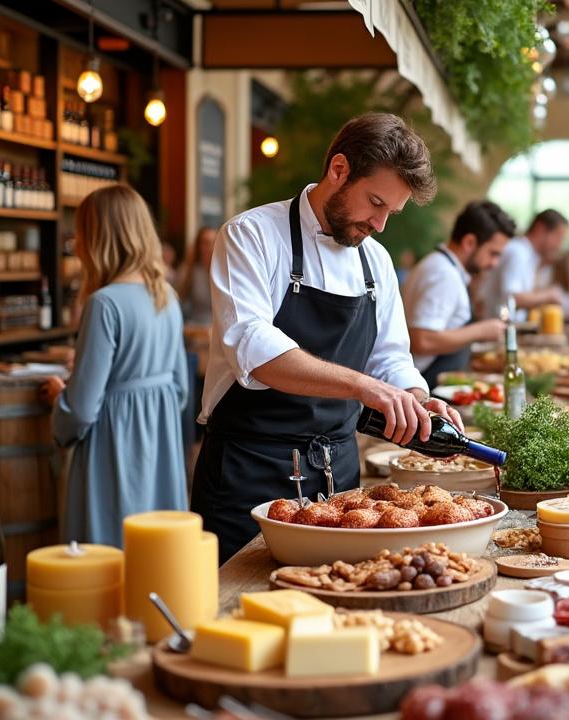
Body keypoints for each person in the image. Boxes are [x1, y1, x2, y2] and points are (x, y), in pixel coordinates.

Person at [191, 112, 459, 561]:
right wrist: (361, 386)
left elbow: (391, 358)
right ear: (339, 170)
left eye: (390, 212)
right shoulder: (250, 235)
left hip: (340, 482)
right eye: (375, 203)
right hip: (248, 471)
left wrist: (413, 397)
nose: (380, 225)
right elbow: (254, 348)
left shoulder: (376, 262)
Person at [39, 185, 190, 546]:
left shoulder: (104, 303)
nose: (75, 242)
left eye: (80, 231)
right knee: (155, 550)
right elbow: (181, 389)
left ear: (97, 238)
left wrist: (60, 399)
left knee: (108, 550)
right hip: (160, 446)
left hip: (113, 448)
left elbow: (80, 410)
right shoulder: (166, 296)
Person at [404, 200, 515, 387]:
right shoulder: (444, 274)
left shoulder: (442, 266)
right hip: (424, 388)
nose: (494, 263)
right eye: (493, 253)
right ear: (469, 242)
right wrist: (481, 331)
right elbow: (422, 340)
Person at [479, 209, 569, 319]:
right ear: (540, 228)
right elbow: (511, 298)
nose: (559, 245)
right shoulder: (518, 252)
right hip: (496, 328)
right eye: (558, 238)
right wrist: (549, 295)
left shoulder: (529, 255)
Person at [178, 226, 218, 326]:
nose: (210, 247)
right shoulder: (191, 270)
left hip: (220, 332)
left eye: (214, 242)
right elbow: (179, 301)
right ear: (198, 246)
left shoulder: (226, 271)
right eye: (205, 242)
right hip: (196, 329)